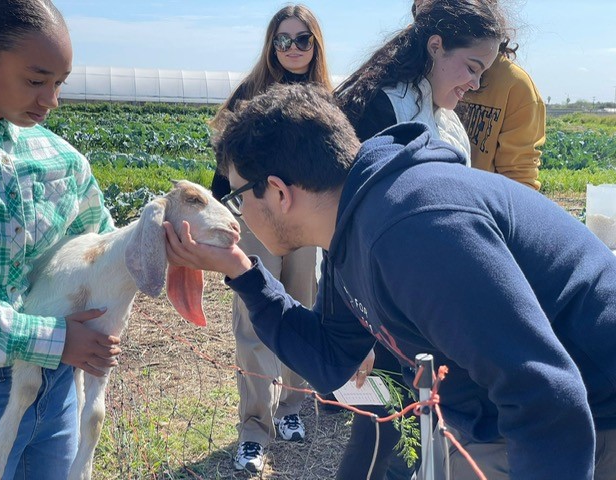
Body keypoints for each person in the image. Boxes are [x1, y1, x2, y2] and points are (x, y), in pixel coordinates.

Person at [165, 81, 616, 480]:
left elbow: (544, 394)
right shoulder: (352, 231)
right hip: (510, 412)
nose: (238, 212)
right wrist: (242, 272)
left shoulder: (411, 230)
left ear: (280, 193)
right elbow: (333, 358)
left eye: (238, 195)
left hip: (593, 413)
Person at [332, 0, 504, 477]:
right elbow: (351, 223)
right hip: (382, 302)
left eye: (482, 73)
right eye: (471, 67)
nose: (475, 82)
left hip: (428, 306)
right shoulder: (382, 108)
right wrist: (361, 329)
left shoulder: (445, 119)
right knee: (381, 426)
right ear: (435, 46)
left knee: (423, 430)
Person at [0, 1, 120, 478]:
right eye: (36, 81)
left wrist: (157, 240)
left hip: (57, 389)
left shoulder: (63, 159)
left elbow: (98, 248)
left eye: (59, 83)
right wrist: (55, 339)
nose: (50, 101)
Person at [208, 4, 333, 473]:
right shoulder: (250, 93)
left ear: (315, 44)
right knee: (254, 324)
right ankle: (253, 429)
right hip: (257, 220)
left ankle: (291, 410)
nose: (293, 48)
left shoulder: (328, 98)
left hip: (306, 225)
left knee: (300, 312)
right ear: (270, 45)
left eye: (303, 39)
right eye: (283, 40)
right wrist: (223, 219)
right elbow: (223, 169)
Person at [455, 37, 546, 190]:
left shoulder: (515, 85)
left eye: (473, 68)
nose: (473, 83)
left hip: (483, 208)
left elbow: (518, 180)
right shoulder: (414, 71)